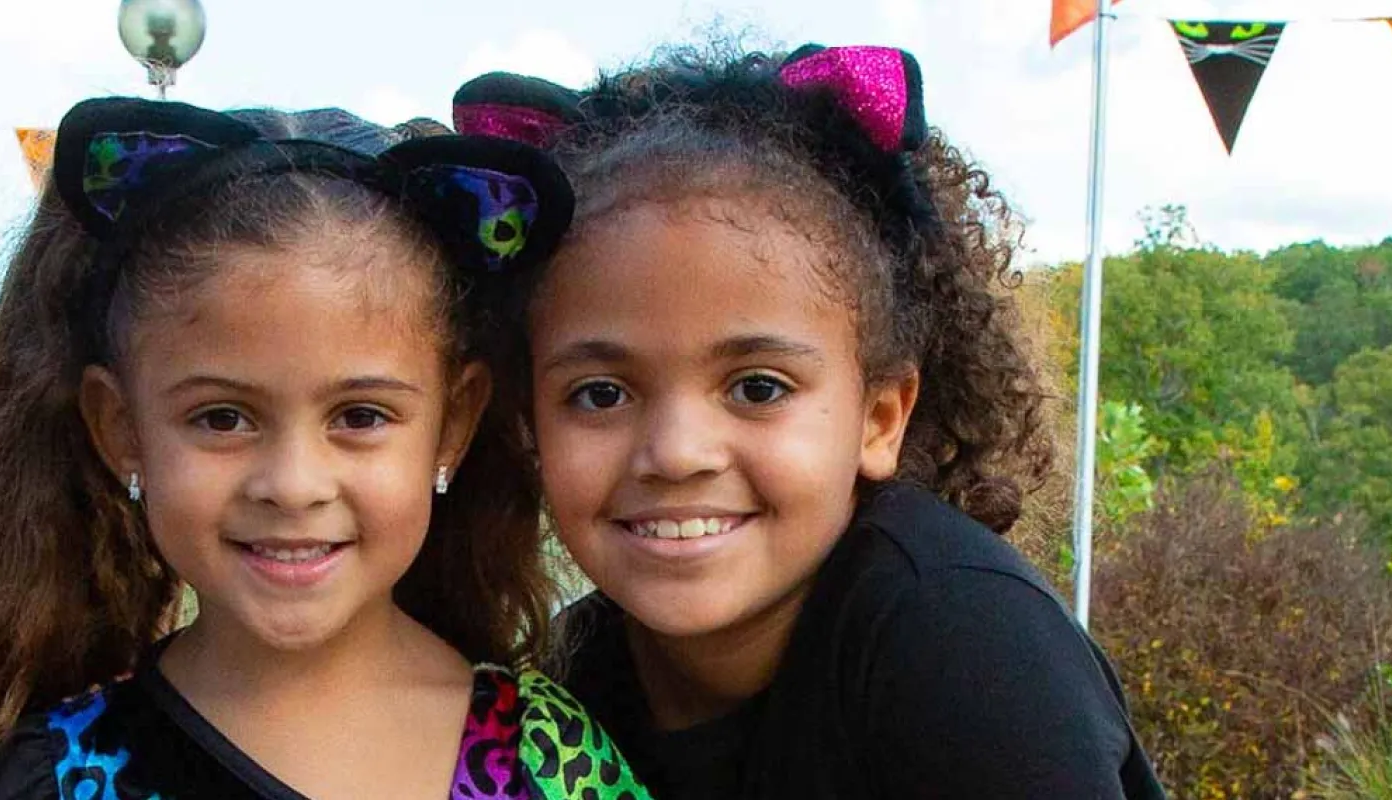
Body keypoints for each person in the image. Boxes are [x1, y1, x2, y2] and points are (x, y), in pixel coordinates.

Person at [453, 44, 1168, 798]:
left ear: (880, 419)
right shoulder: (572, 685)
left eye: (757, 388)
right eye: (600, 394)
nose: (677, 453)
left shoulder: (959, 638)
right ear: (527, 423)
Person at [0, 97, 650, 800]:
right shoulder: (44, 776)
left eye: (360, 415)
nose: (293, 484)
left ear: (452, 426)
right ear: (120, 430)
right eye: (222, 418)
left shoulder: (549, 759)